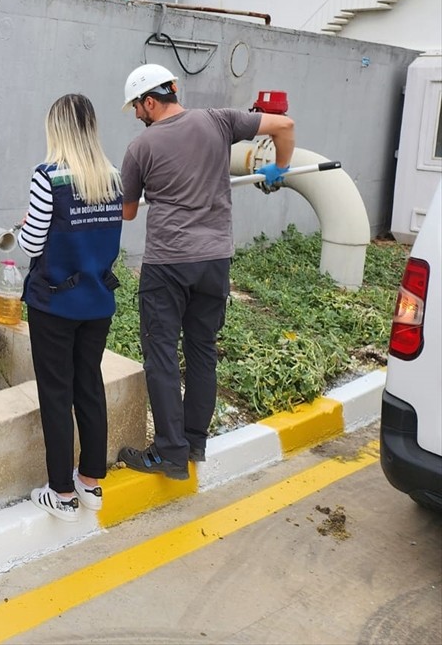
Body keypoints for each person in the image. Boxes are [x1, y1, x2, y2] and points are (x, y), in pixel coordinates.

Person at [116, 64, 295, 479]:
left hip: (168, 264)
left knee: (161, 355)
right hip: (214, 260)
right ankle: (194, 442)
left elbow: (127, 212)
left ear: (149, 101)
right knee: (202, 351)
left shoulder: (140, 148)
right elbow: (284, 125)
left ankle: (170, 453)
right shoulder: (219, 120)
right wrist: (281, 168)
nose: (137, 115)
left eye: (137, 107)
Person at [17, 94, 123, 521]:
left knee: (56, 393)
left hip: (55, 303)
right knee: (89, 385)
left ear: (56, 129)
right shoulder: (113, 178)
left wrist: (25, 228)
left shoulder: (48, 177)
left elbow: (32, 244)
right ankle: (90, 482)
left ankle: (61, 492)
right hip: (98, 300)